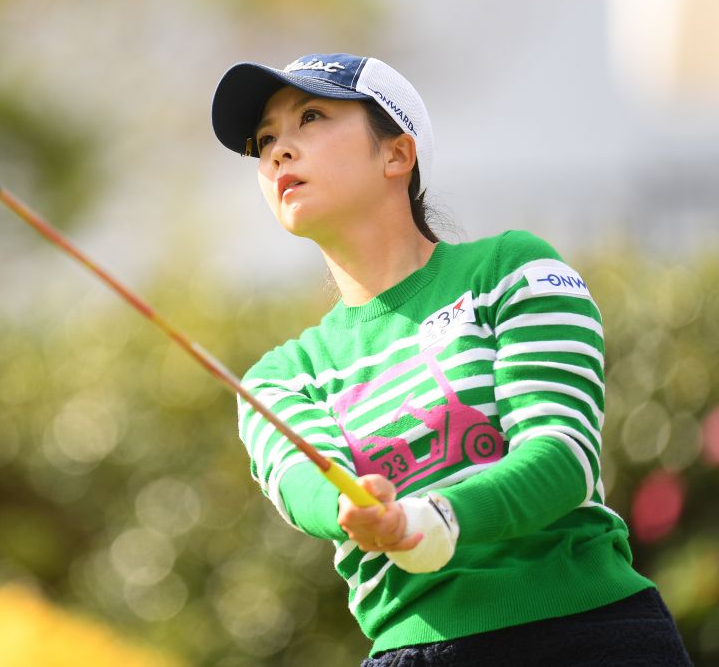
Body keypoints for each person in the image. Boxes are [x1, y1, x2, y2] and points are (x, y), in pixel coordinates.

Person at [210, 53, 693, 666]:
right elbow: (304, 483)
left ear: (396, 154)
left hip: (592, 635)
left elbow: (562, 453)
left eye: (310, 117)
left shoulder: (510, 268)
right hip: (417, 651)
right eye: (264, 141)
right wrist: (353, 507)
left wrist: (439, 516)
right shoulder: (280, 377)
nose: (279, 151)